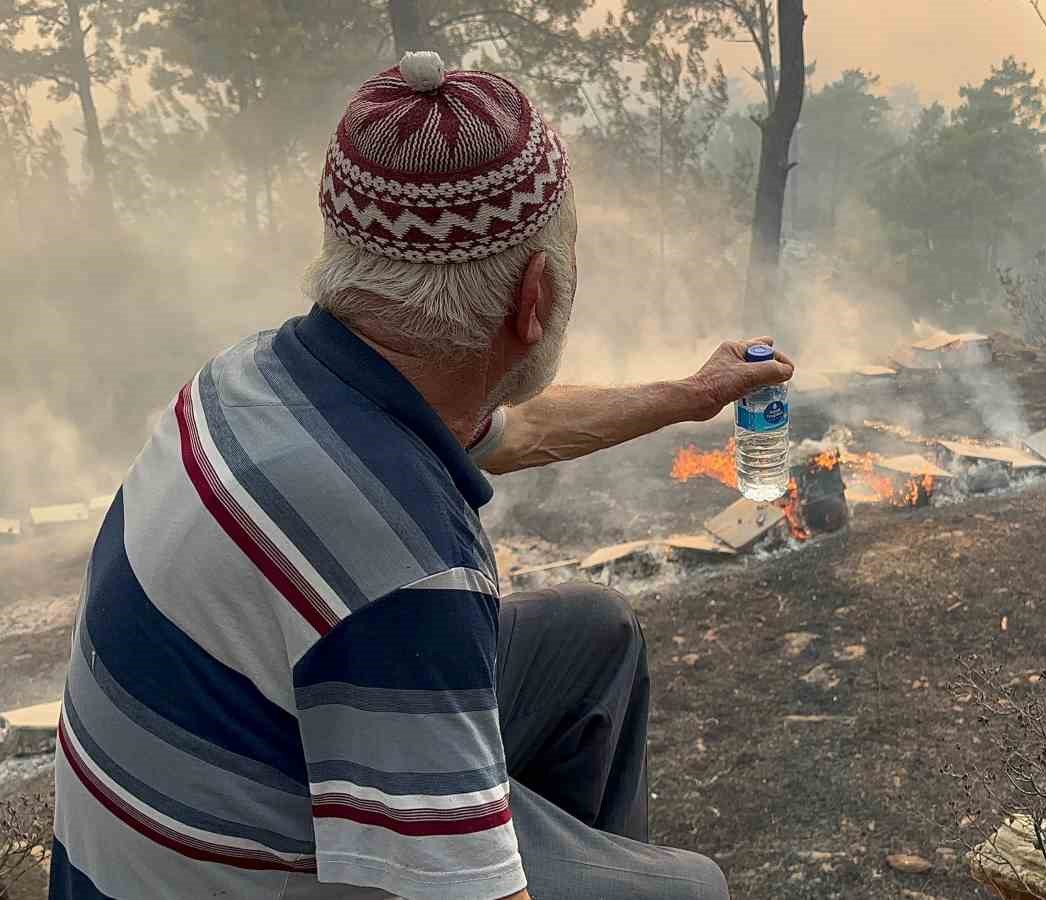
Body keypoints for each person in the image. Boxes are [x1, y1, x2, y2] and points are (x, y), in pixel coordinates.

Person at [49, 51, 792, 900]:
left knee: (594, 635)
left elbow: (517, 429)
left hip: (183, 828)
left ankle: (559, 851)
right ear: (535, 296)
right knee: (687, 890)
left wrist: (694, 395)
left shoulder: (262, 377)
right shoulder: (406, 573)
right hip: (257, 875)